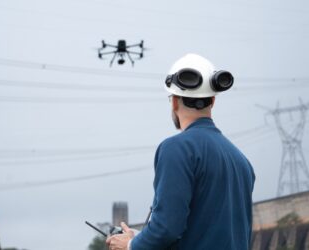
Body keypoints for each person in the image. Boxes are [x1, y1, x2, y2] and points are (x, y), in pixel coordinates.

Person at [106, 53, 256, 250]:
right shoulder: (241, 161)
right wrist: (141, 237)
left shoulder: (177, 149)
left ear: (174, 101)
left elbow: (167, 229)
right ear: (213, 100)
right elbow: (208, 230)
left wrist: (131, 245)